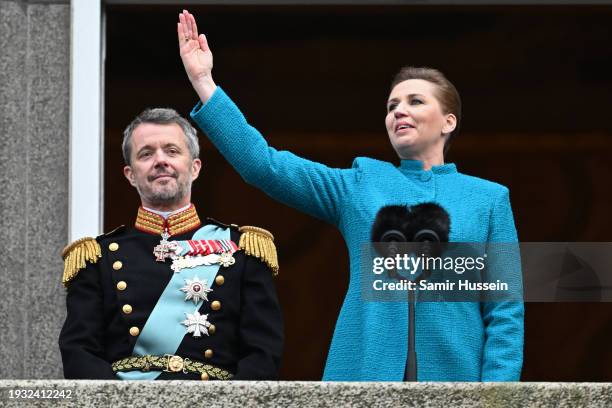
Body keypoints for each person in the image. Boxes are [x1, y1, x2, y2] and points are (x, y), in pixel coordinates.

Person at [177, 10, 523, 381]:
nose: (399, 111)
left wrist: (496, 396)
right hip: (364, 376)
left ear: (448, 121)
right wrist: (204, 82)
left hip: (458, 382)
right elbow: (266, 166)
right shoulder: (360, 183)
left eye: (415, 101)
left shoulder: (488, 200)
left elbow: (504, 313)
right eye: (392, 106)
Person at [59, 107, 283, 380]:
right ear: (130, 174)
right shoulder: (98, 257)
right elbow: (79, 354)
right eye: (146, 153)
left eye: (172, 151)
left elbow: (263, 354)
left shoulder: (242, 250)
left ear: (195, 167)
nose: (160, 160)